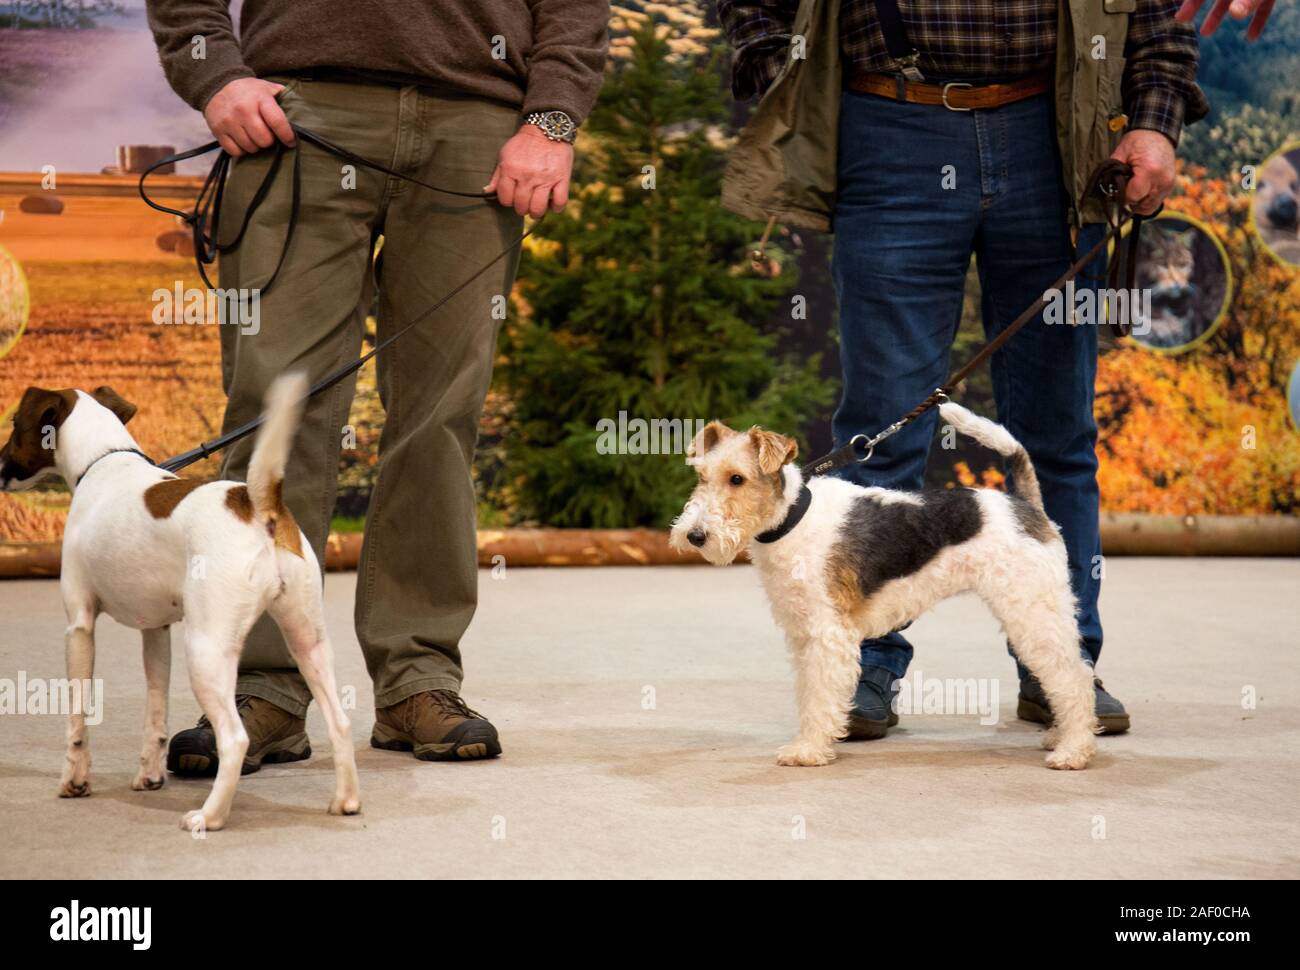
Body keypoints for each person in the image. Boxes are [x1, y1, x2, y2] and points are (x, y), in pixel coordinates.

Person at [717, 0, 1207, 738]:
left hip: (1057, 133)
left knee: (1055, 437)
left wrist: (1154, 118)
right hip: (888, 126)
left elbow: (1160, 10)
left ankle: (1060, 667)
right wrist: (782, 69)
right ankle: (864, 666)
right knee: (881, 433)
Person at [146, 1, 609, 771]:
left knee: (441, 416)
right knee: (275, 413)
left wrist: (552, 121)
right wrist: (217, 75)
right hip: (296, 115)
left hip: (477, 126)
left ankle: (417, 678)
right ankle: (259, 684)